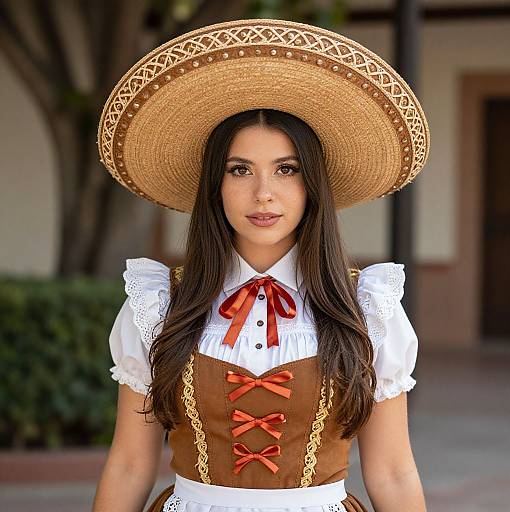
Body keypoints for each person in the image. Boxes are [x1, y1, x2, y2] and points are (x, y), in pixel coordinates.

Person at [93, 18, 430, 512]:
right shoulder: (159, 304)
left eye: (287, 170)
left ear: (312, 183)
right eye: (240, 169)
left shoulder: (369, 309)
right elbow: (129, 463)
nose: (264, 193)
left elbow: (394, 472)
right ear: (216, 185)